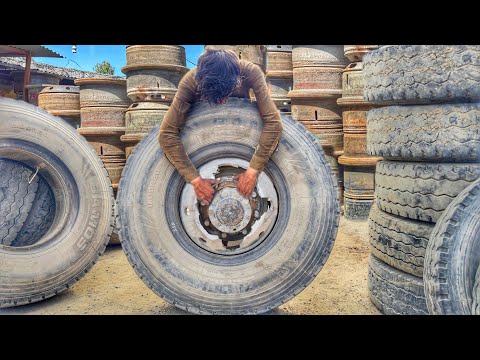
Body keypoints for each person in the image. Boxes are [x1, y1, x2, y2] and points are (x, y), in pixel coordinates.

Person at [159, 48, 283, 205]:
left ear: (237, 79)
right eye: (217, 97)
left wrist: (253, 171)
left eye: (226, 94)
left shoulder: (249, 71)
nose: (223, 102)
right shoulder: (191, 81)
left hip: (242, 133)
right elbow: (167, 134)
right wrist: (195, 180)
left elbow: (273, 122)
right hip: (202, 136)